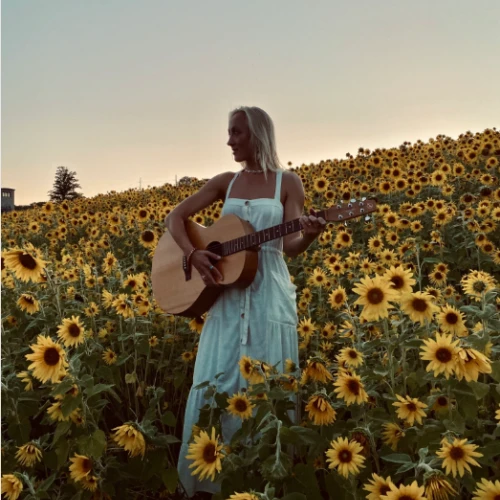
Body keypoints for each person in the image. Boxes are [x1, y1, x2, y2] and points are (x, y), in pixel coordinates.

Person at [165, 106, 326, 498]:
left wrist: (311, 234)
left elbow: (290, 245)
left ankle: (261, 482)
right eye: (229, 132)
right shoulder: (226, 182)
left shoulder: (288, 183)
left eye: (237, 133)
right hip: (225, 295)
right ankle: (210, 484)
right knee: (219, 380)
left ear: (257, 134)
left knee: (268, 384)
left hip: (269, 292)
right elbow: (176, 217)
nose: (229, 140)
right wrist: (192, 254)